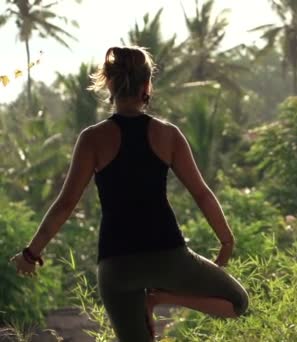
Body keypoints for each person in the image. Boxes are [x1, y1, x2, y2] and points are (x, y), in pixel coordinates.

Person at [10, 46, 249, 342]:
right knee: (238, 303)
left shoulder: (92, 139)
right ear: (147, 85)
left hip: (117, 266)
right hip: (169, 257)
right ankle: (158, 299)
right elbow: (201, 193)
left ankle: (154, 299)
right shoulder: (168, 135)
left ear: (109, 83)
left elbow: (66, 203)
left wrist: (31, 254)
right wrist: (225, 240)